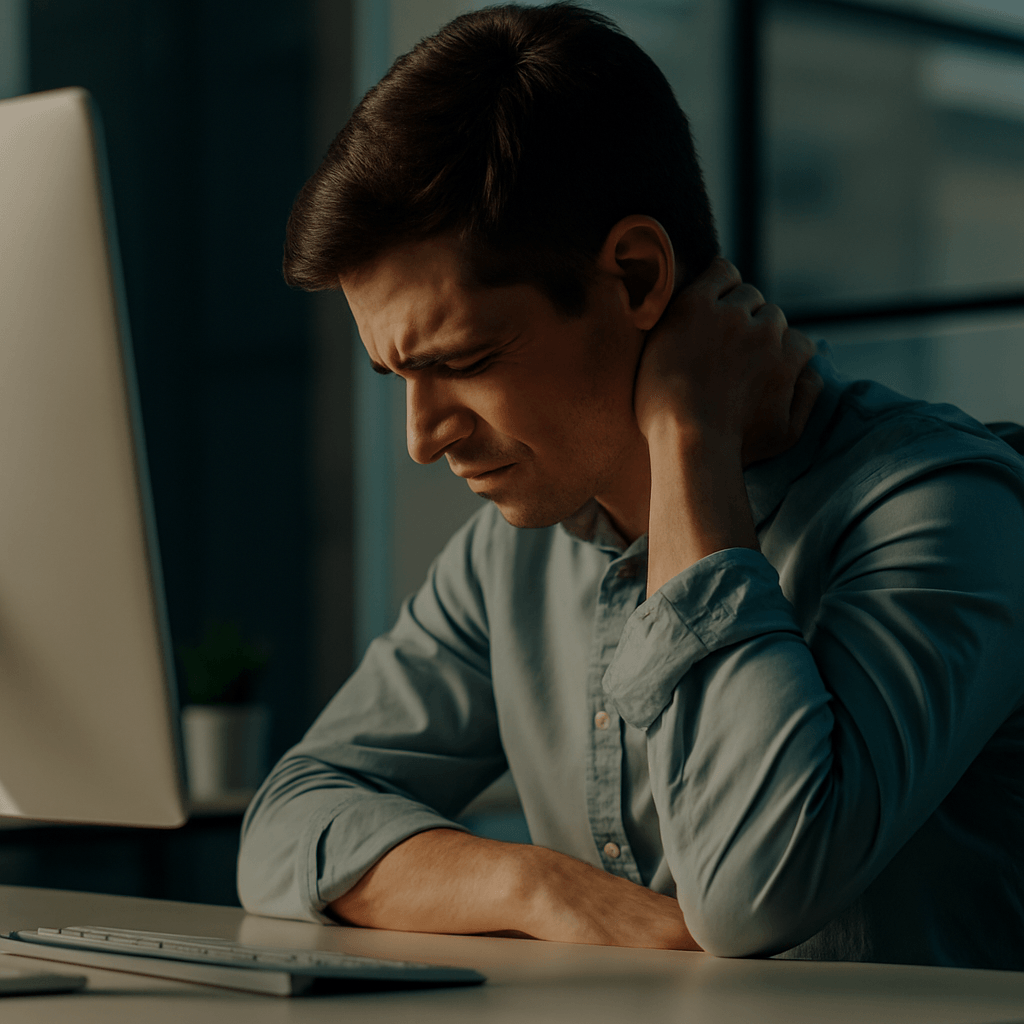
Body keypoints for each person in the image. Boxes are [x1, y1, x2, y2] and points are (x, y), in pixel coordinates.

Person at [238, 3, 1024, 968]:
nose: (422, 437)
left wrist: (688, 437)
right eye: (399, 378)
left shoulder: (945, 511)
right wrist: (535, 887)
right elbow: (290, 817)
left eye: (467, 358)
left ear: (641, 274)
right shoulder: (510, 556)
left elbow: (750, 895)